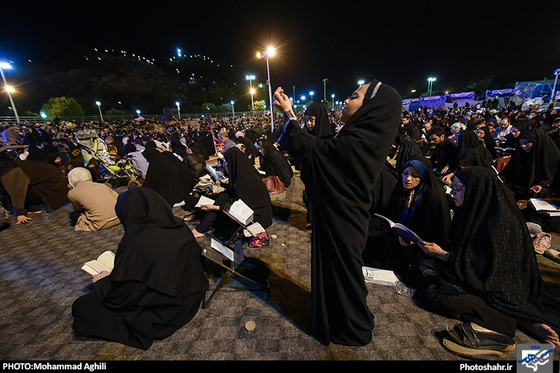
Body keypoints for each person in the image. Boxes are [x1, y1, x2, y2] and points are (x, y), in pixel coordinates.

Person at [274, 79, 402, 346]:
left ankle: (353, 328)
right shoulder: (358, 137)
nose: (346, 100)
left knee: (344, 275)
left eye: (354, 96)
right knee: (337, 272)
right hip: (340, 217)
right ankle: (336, 320)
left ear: (371, 108)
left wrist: (289, 115)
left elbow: (318, 153)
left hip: (344, 220)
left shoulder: (359, 142)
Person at [419, 167, 560, 356]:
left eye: (459, 188)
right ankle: (516, 317)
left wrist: (443, 255)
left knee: (436, 293)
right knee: (426, 269)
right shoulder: (474, 210)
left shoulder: (498, 224)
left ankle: (508, 321)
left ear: (477, 192)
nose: (452, 192)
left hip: (502, 289)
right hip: (480, 278)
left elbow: (487, 271)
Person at [71, 187, 209, 350]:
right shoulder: (178, 226)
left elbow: (125, 294)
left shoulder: (137, 241)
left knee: (82, 306)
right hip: (190, 299)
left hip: (164, 315)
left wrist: (102, 283)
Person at [374, 156, 451, 282]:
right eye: (405, 173)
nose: (408, 179)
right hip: (402, 237)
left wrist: (413, 242)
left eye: (415, 176)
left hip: (424, 246)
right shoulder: (405, 189)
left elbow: (435, 233)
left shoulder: (432, 197)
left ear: (424, 177)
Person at [192, 147, 273, 239]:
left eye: (226, 162)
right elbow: (235, 192)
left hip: (257, 217)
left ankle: (200, 230)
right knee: (222, 196)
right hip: (250, 208)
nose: (225, 165)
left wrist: (216, 207)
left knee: (218, 214)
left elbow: (241, 207)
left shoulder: (246, 181)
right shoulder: (245, 172)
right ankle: (203, 227)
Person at [0, 155, 68, 224]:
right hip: (53, 183)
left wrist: (20, 213)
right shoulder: (13, 166)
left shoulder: (9, 172)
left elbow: (17, 191)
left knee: (17, 191)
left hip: (53, 187)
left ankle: (34, 208)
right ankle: (33, 208)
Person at [500, 128, 560, 201]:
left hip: (540, 195)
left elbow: (551, 180)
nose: (523, 146)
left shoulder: (552, 158)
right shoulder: (520, 154)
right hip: (518, 191)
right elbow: (508, 172)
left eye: (527, 142)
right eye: (521, 143)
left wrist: (541, 185)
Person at [67, 167, 120, 231]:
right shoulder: (101, 185)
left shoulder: (72, 193)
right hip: (120, 217)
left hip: (101, 223)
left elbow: (78, 209)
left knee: (73, 215)